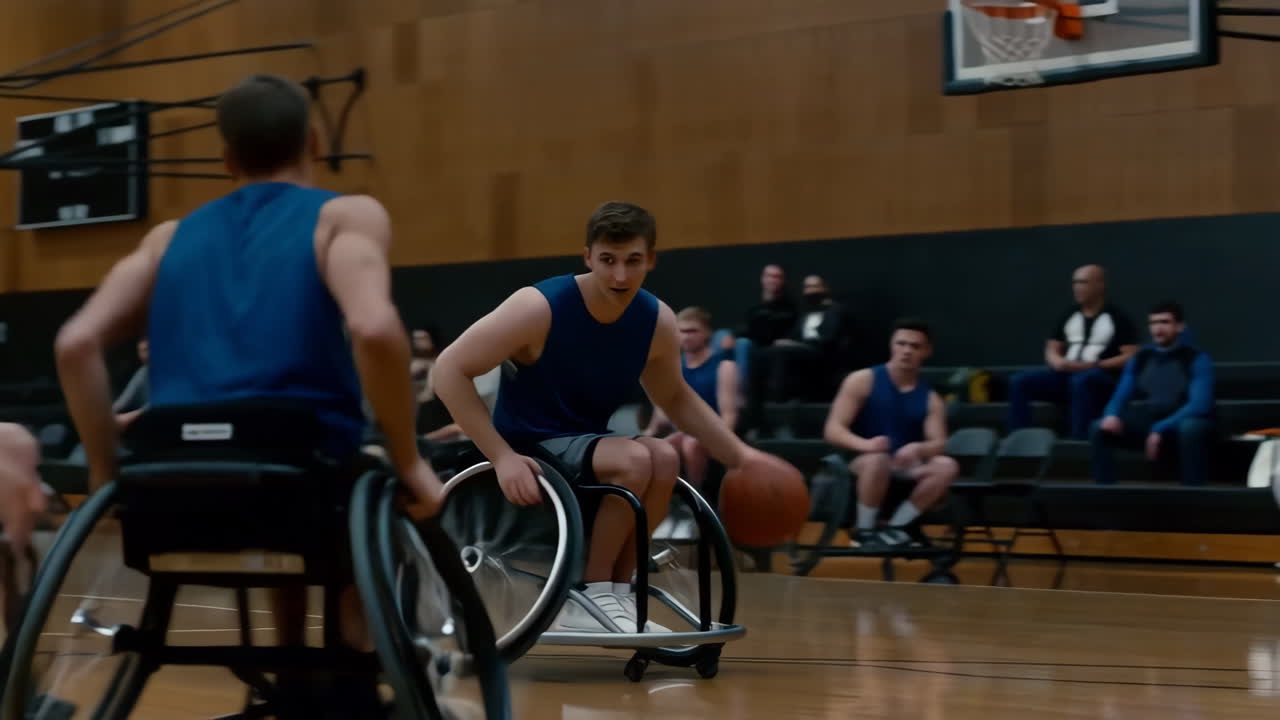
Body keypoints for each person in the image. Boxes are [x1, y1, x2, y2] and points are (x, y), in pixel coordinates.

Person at [53, 74, 444, 658]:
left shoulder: (169, 238)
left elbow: (75, 345)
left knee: (281, 459)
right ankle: (355, 647)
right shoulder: (344, 216)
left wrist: (105, 475)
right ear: (313, 142)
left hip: (177, 475)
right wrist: (409, 459)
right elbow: (373, 327)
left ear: (227, 157)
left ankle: (289, 660)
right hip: (298, 472)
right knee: (367, 478)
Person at [432, 201, 774, 634]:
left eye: (633, 261)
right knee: (633, 460)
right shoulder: (539, 307)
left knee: (665, 457)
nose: (620, 276)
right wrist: (501, 457)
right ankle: (588, 595)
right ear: (588, 257)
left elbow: (674, 396)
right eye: (608, 261)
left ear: (650, 259)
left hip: (586, 445)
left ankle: (620, 591)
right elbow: (448, 370)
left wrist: (742, 457)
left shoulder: (656, 320)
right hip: (528, 446)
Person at [823, 319, 959, 551]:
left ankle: (896, 527)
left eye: (915, 346)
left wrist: (918, 448)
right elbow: (832, 430)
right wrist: (867, 445)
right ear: (891, 345)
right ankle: (864, 531)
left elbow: (939, 442)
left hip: (902, 466)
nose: (906, 351)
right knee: (878, 459)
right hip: (861, 462)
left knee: (946, 466)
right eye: (901, 344)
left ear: (926, 351)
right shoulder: (862, 380)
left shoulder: (930, 397)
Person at [1007, 264, 1139, 439]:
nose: (1077, 287)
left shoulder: (1117, 317)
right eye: (1075, 282)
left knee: (1081, 381)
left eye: (1083, 282)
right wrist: (1057, 361)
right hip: (1068, 374)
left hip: (1101, 378)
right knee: (1019, 381)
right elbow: (1052, 348)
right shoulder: (1069, 315)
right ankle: (1018, 437)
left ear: (1099, 285)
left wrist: (1097, 365)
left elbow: (1132, 355)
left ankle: (1078, 439)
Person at [1090, 301, 1215, 486]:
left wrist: (1160, 428)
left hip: (1184, 420)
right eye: (1153, 323)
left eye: (1165, 322)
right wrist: (1111, 414)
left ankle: (1194, 492)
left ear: (1179, 327)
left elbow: (1199, 405)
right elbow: (1121, 395)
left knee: (1191, 428)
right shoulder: (1141, 358)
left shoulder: (1197, 358)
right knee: (1099, 427)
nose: (1158, 328)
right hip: (1153, 418)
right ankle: (1104, 492)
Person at [644, 306, 739, 488]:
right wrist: (643, 437)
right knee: (660, 449)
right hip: (684, 432)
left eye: (692, 331)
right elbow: (661, 417)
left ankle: (699, 499)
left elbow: (729, 415)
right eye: (681, 331)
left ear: (707, 333)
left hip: (714, 434)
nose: (686, 336)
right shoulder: (673, 368)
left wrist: (724, 446)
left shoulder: (724, 367)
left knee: (690, 444)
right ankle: (670, 503)